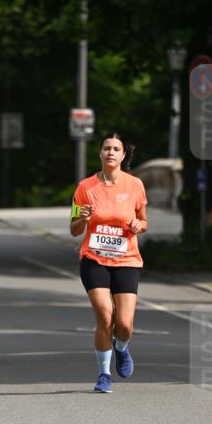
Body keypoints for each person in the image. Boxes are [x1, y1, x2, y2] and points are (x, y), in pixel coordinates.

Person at [70, 131, 148, 393]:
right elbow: (73, 229)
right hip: (94, 259)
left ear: (123, 155)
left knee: (124, 324)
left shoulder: (135, 185)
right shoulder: (84, 187)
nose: (111, 152)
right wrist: (83, 218)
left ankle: (121, 347)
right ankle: (104, 374)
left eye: (116, 149)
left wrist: (140, 224)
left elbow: (143, 220)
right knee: (105, 315)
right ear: (100, 153)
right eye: (106, 148)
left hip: (126, 259)